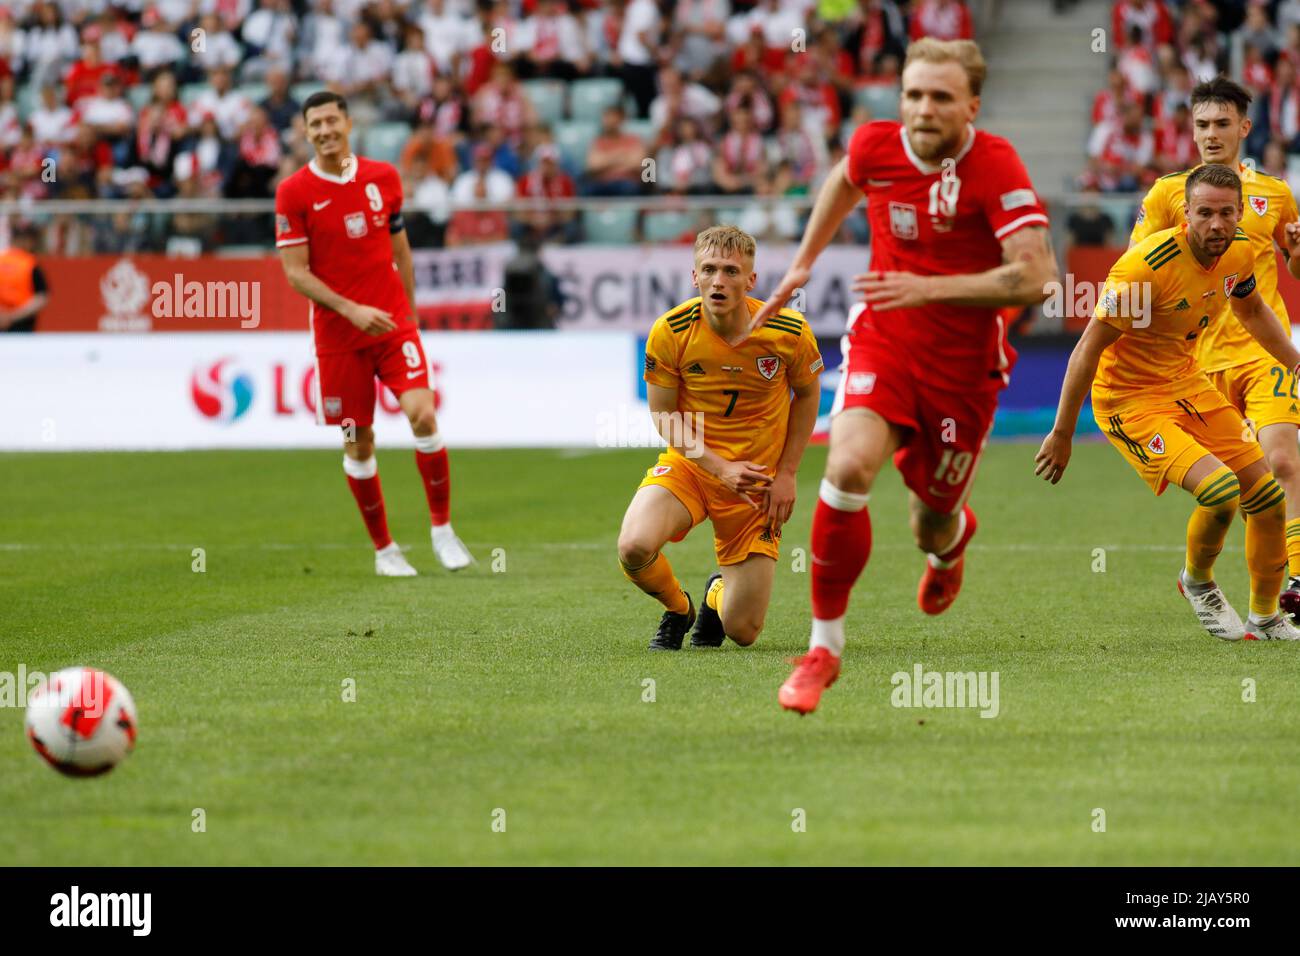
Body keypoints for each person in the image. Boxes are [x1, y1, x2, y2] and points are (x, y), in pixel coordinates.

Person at [755, 38, 1058, 714]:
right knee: (848, 467)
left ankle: (950, 549)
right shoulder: (876, 146)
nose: (924, 109)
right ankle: (823, 648)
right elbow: (844, 176)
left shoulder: (996, 165)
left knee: (930, 524)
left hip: (963, 371)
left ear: (971, 105)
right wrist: (805, 259)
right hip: (884, 342)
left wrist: (928, 289)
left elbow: (1039, 278)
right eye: (914, 94)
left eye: (941, 97)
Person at [1036, 163, 1300, 642]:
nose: (1216, 225)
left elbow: (1253, 310)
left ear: (1241, 213)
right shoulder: (1145, 269)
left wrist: (1296, 363)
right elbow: (1088, 347)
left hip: (1185, 382)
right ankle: (1196, 582)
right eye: (1204, 213)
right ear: (1186, 214)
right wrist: (1062, 433)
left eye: (1226, 213)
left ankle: (1265, 618)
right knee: (1220, 491)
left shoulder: (1239, 252)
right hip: (1128, 399)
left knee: (1266, 494)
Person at [275, 91, 474, 575]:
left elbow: (401, 252)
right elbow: (295, 273)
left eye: (330, 120)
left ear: (347, 122)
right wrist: (350, 310)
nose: (324, 130)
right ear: (305, 133)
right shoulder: (294, 192)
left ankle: (443, 530)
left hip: (391, 326)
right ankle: (385, 550)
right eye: (314, 124)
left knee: (422, 414)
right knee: (357, 442)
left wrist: (409, 315)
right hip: (338, 337)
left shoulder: (383, 178)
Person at [1127, 77, 1300, 618]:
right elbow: (1135, 274)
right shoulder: (1166, 195)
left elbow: (1294, 268)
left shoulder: (1275, 194)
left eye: (1222, 123)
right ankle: (1211, 580)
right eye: (1201, 124)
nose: (1210, 134)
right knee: (1247, 493)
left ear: (1244, 128)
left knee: (1282, 463)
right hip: (1196, 363)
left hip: (1262, 352)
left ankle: (1295, 580)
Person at [618, 225, 823, 651]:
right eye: (709, 269)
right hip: (692, 468)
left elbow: (807, 396)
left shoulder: (788, 330)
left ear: (751, 280)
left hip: (754, 485)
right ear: (695, 277)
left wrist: (786, 474)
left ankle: (716, 594)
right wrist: (719, 467)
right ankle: (679, 608)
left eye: (731, 271)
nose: (718, 280)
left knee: (742, 632)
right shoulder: (671, 331)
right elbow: (663, 415)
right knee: (634, 546)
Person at [0, 223, 50, 333]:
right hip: (22, 325)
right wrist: (13, 316)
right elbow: (41, 297)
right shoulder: (30, 264)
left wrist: (3, 316)